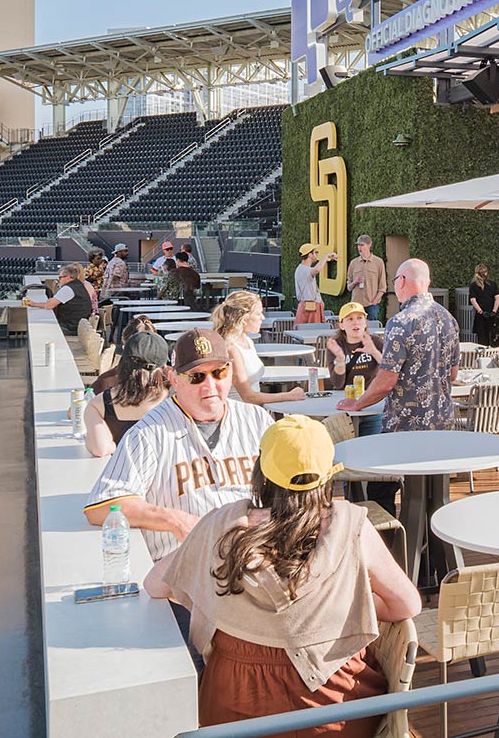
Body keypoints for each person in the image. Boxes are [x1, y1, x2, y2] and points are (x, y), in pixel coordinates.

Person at [144, 415, 421, 736]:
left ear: (260, 472)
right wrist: (350, 605)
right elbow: (407, 605)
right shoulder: (352, 526)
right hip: (333, 714)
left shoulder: (220, 525)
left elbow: (155, 584)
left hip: (231, 713)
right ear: (327, 476)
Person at [85, 330, 273, 564]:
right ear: (174, 379)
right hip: (184, 569)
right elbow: (102, 506)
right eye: (196, 377)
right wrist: (174, 520)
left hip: (251, 559)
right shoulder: (149, 433)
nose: (210, 386)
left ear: (231, 371)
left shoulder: (257, 420)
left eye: (218, 372)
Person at [339, 258, 458, 432]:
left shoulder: (400, 323)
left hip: (406, 426)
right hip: (444, 422)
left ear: (401, 281)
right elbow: (453, 374)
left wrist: (358, 403)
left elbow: (387, 381)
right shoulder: (449, 319)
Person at [85, 330, 172, 458]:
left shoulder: (99, 404)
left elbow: (100, 449)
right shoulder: (176, 398)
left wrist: (116, 445)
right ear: (164, 365)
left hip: (122, 474)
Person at [213, 290, 307, 407]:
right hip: (240, 414)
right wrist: (288, 396)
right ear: (244, 318)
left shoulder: (247, 341)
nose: (262, 318)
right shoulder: (231, 348)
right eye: (258, 313)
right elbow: (248, 397)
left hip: (254, 411)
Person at [322, 302, 383, 420]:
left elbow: (389, 370)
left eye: (360, 318)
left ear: (365, 322)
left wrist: (374, 352)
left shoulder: (375, 341)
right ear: (341, 325)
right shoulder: (336, 346)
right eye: (350, 319)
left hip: (371, 404)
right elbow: (338, 384)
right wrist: (340, 359)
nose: (356, 322)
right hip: (345, 405)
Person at [24, 263, 92, 340]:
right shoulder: (78, 285)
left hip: (71, 328)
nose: (59, 280)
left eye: (60, 277)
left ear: (68, 278)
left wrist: (34, 304)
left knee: (39, 330)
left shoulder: (68, 289)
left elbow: (49, 305)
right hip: (77, 325)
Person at [345, 234, 388, 321]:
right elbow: (348, 287)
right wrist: (355, 282)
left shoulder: (378, 262)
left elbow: (383, 287)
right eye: (358, 245)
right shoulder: (353, 263)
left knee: (371, 331)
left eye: (362, 245)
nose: (359, 248)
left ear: (369, 245)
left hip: (371, 305)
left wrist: (374, 302)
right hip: (356, 305)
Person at [467, 263, 499, 345]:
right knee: (491, 336)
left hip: (481, 315)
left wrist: (481, 311)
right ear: (486, 273)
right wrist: (494, 311)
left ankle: (483, 356)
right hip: (491, 314)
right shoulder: (493, 284)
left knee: (481, 338)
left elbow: (473, 300)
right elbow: (497, 298)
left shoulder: (473, 285)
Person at [294, 245, 328, 323]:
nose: (316, 255)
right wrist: (326, 256)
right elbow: (317, 270)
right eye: (315, 252)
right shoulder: (304, 269)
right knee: (313, 331)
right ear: (310, 254)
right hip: (310, 307)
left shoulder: (302, 269)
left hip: (309, 306)